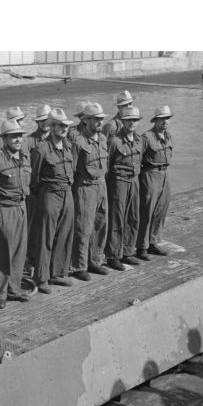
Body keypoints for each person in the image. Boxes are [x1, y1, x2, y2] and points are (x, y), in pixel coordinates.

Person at [0, 119, 31, 308]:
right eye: (13, 136)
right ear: (4, 138)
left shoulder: (25, 158)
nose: (18, 139)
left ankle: (14, 289)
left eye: (19, 135)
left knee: (19, 251)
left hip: (20, 207)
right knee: (3, 251)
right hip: (3, 209)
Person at [30, 108, 75, 293]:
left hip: (67, 193)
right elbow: (33, 178)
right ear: (52, 127)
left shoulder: (68, 146)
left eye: (66, 125)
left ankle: (57, 273)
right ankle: (42, 278)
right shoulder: (41, 148)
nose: (64, 128)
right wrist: (43, 195)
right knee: (45, 236)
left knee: (64, 234)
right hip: (49, 194)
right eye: (60, 125)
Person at [71, 102, 110, 281]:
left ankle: (95, 260)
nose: (100, 122)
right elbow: (71, 170)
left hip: (101, 185)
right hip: (85, 187)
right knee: (83, 228)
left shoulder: (102, 139)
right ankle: (80, 266)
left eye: (101, 119)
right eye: (96, 119)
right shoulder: (78, 142)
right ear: (86, 121)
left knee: (100, 224)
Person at [105, 106, 144, 270]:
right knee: (117, 218)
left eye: (135, 120)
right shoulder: (114, 141)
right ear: (122, 122)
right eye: (129, 120)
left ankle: (128, 251)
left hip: (134, 181)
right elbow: (107, 165)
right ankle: (113, 255)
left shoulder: (139, 140)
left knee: (133, 217)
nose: (132, 123)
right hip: (119, 182)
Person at [136, 105, 174, 260]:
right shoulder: (147, 137)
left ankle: (153, 242)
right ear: (155, 120)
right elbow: (138, 159)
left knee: (161, 209)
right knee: (147, 210)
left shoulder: (168, 136)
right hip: (150, 174)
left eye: (167, 119)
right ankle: (141, 247)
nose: (165, 122)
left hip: (164, 174)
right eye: (162, 119)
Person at [25, 104, 52, 269]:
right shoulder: (29, 141)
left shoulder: (58, 139)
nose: (44, 124)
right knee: (34, 226)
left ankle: (47, 258)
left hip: (50, 189)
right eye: (41, 121)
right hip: (35, 190)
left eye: (47, 120)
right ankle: (32, 258)